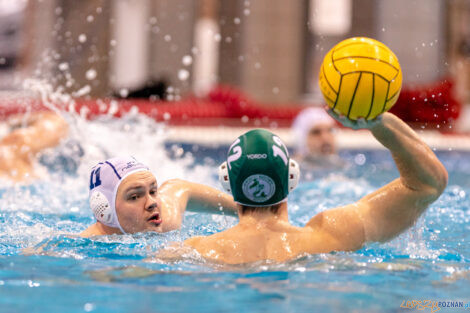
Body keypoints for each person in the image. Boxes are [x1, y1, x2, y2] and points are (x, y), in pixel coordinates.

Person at [177, 111, 447, 264]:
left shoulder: (197, 251)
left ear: (227, 182)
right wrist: (379, 124)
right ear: (291, 177)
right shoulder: (332, 234)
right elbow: (428, 185)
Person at [80, 156, 237, 237]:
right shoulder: (85, 245)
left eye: (153, 191)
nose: (152, 203)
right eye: (135, 197)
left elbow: (181, 188)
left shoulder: (167, 218)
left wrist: (246, 209)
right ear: (104, 210)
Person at [0, 111, 68, 181]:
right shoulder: (13, 147)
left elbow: (57, 124)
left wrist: (12, 123)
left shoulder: (13, 147)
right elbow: (56, 123)